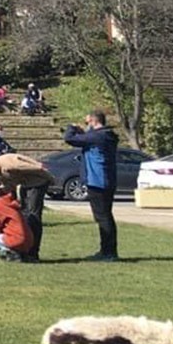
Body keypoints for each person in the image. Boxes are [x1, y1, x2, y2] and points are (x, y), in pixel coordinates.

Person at [62, 110, 120, 261]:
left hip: (97, 181)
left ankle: (108, 253)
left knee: (102, 217)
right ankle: (108, 250)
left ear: (94, 122)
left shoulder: (96, 136)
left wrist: (72, 127)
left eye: (88, 123)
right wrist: (83, 132)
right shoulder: (107, 135)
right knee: (106, 216)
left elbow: (69, 138)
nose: (87, 126)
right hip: (107, 180)